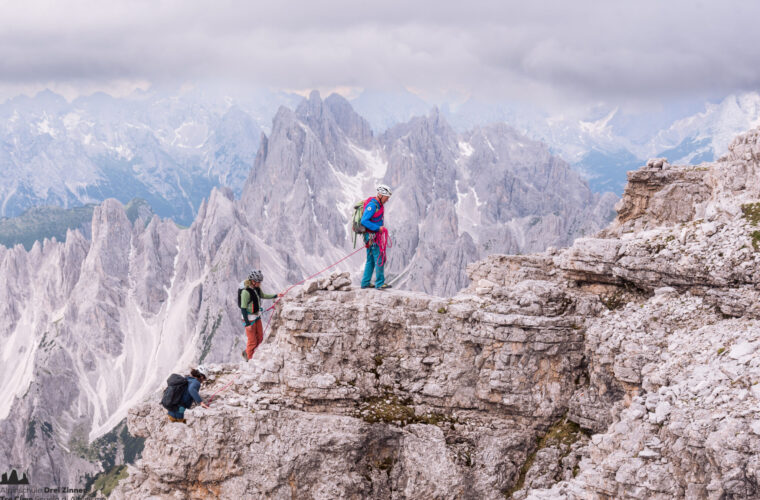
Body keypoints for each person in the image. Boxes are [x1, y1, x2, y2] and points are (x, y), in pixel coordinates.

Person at [239, 270, 280, 361]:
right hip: (249, 320)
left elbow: (263, 295)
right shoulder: (245, 292)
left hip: (257, 317)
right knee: (252, 341)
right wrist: (247, 324)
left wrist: (276, 295)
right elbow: (243, 308)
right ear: (253, 281)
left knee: (260, 338)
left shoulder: (256, 288)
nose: (260, 284)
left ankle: (252, 355)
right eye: (258, 282)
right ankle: (249, 361)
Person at [361, 184, 393, 290]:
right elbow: (364, 220)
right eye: (386, 197)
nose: (387, 200)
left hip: (371, 236)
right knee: (379, 257)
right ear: (380, 195)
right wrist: (378, 228)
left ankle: (365, 282)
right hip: (372, 236)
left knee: (370, 259)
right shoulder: (373, 205)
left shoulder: (379, 205)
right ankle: (379, 283)